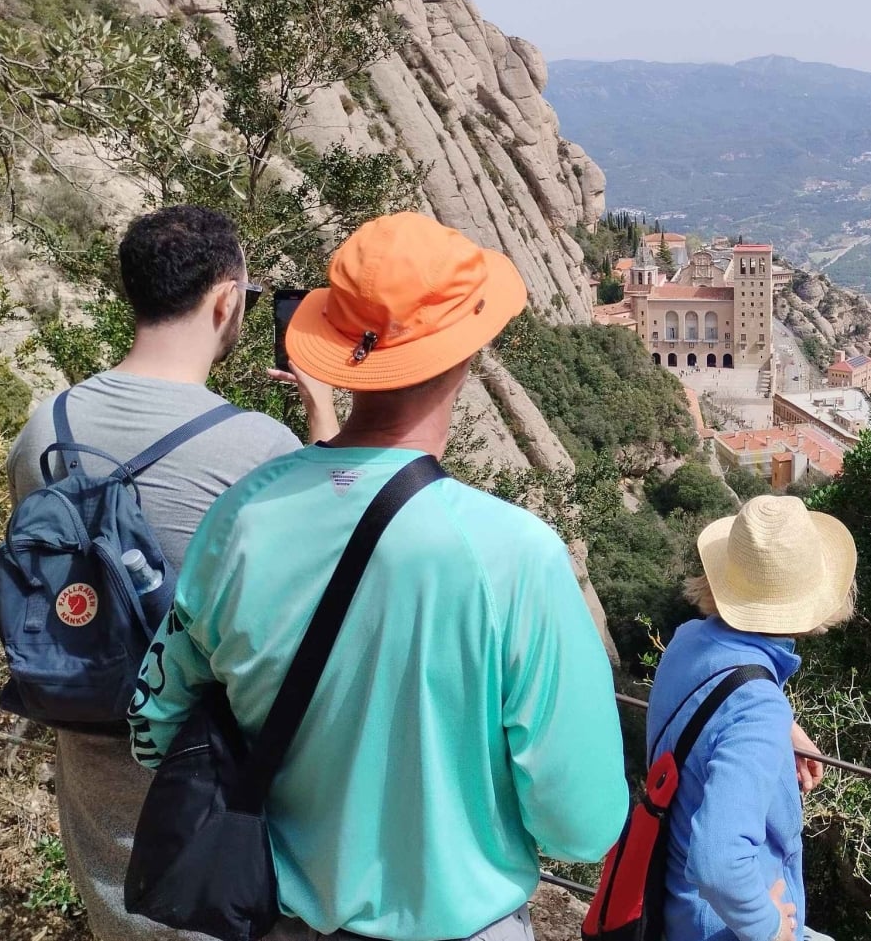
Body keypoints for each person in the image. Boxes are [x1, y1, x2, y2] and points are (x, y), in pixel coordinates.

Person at [127, 212, 628, 941]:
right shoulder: (516, 555)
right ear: (468, 351)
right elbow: (581, 824)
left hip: (278, 920)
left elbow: (152, 729)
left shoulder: (241, 519)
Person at [5, 204, 336, 941]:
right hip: (210, 825)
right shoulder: (258, 450)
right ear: (226, 300)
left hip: (96, 811)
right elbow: (337, 575)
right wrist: (323, 415)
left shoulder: (42, 432)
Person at [647, 494, 856, 941]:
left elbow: (718, 702)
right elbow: (718, 861)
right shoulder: (758, 707)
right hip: (725, 928)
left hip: (671, 909)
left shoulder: (688, 643)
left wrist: (786, 727)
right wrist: (770, 928)